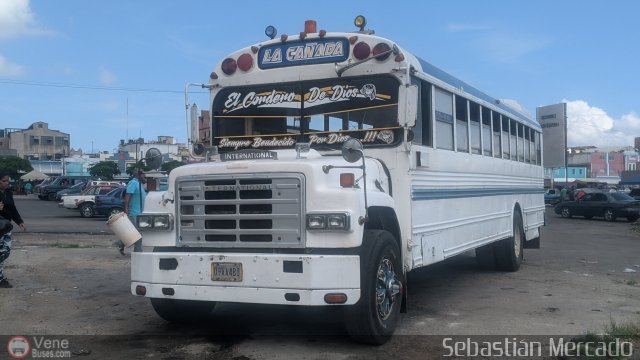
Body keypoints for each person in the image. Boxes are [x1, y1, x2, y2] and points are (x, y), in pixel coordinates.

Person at [0, 172, 27, 288]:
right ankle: (1, 279)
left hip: (5, 227)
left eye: (8, 181)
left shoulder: (8, 192)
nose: (7, 183)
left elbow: (12, 209)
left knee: (5, 252)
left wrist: (20, 222)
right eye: (4, 181)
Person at [115, 170, 147, 255]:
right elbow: (128, 195)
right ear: (139, 175)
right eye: (144, 175)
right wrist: (126, 208)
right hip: (134, 212)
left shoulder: (140, 184)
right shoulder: (133, 183)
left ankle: (120, 243)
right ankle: (138, 251)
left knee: (133, 232)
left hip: (140, 212)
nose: (145, 176)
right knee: (138, 232)